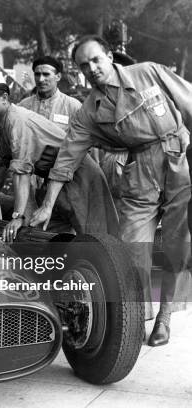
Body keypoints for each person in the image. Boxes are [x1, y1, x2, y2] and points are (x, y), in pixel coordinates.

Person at [30, 35, 192, 347]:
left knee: (176, 247)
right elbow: (66, 158)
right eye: (83, 65)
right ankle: (132, 321)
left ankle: (165, 316)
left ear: (109, 57)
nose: (91, 68)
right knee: (130, 251)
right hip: (139, 174)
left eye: (95, 60)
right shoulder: (90, 111)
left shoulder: (148, 73)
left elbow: (188, 101)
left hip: (180, 160)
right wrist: (47, 205)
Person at [0, 72, 118, 242]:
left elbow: (21, 174)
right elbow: (1, 167)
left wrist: (18, 216)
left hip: (80, 178)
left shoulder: (16, 121)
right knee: (51, 236)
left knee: (96, 241)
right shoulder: (4, 122)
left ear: (4, 98)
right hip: (57, 181)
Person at [18, 56, 82, 132]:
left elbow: (82, 138)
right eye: (37, 74)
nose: (41, 79)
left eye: (46, 74)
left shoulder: (73, 106)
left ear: (58, 76)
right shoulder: (23, 106)